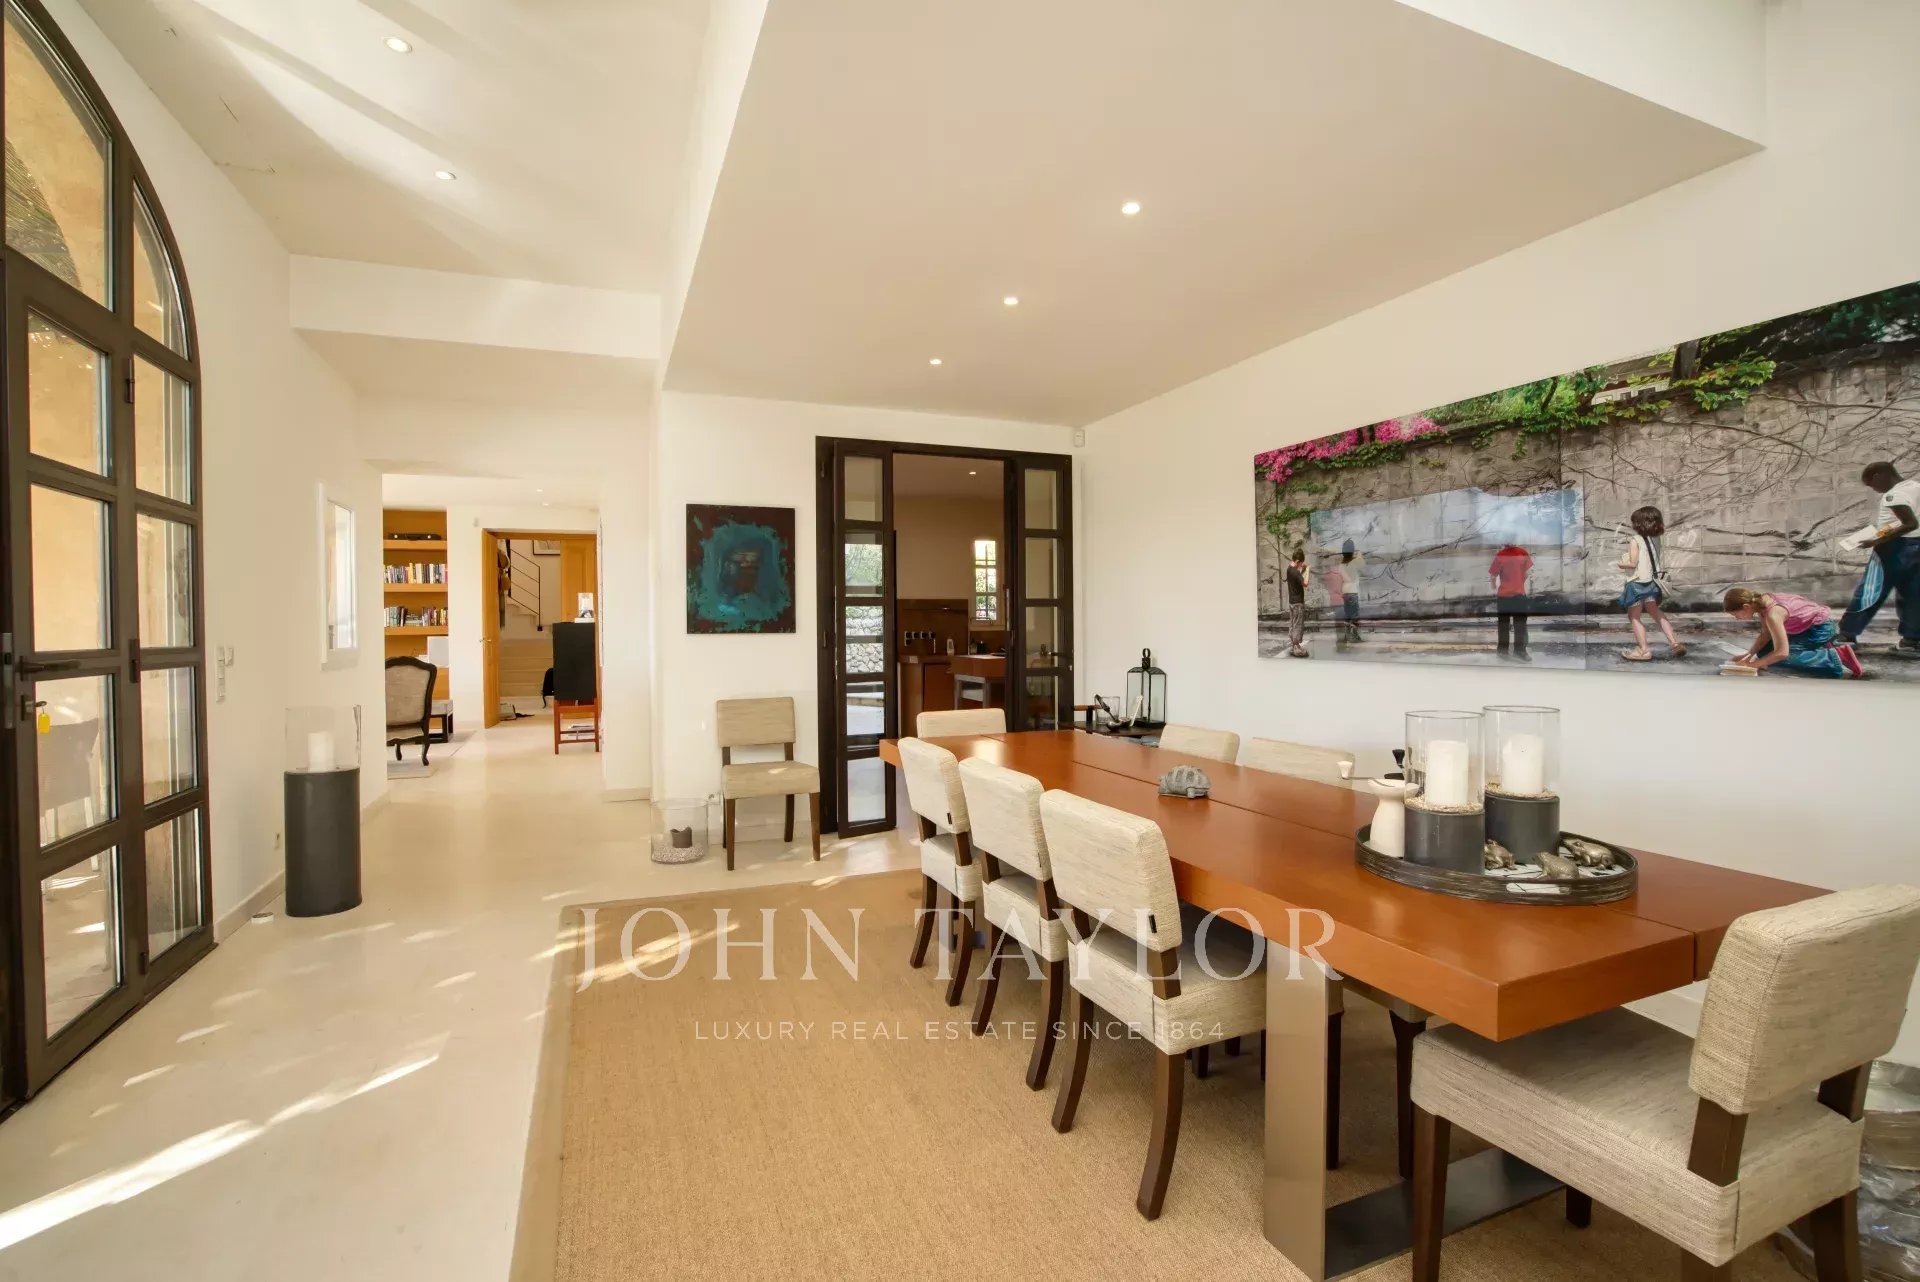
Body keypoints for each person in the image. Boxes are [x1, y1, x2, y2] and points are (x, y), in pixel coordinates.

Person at [1839, 462, 1920, 655]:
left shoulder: (1894, 495)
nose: (1874, 490)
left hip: (1893, 549)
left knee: (1870, 591)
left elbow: (1910, 523)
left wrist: (1875, 541)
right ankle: (1911, 640)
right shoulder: (1916, 487)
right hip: (1916, 546)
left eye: (1872, 484)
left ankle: (1846, 635)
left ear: (1878, 475)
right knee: (1913, 595)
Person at [1723, 587, 1862, 678]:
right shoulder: (1762, 602)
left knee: (1777, 661)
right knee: (1764, 653)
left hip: (1819, 629)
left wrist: (1752, 665)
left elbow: (1782, 653)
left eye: (1736, 615)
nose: (1737, 618)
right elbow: (1766, 634)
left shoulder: (1773, 614)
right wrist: (1748, 655)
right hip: (1806, 627)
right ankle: (1820, 647)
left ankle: (1834, 656)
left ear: (1746, 607)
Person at [1616, 506, 1687, 662]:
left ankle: (1643, 651)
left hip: (1636, 584)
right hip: (1652, 583)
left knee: (1634, 616)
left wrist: (1621, 564)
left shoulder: (1635, 540)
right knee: (1655, 612)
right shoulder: (1656, 539)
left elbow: (1633, 563)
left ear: (1639, 523)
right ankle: (1675, 643)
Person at [1488, 543, 1532, 661]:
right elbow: (1527, 573)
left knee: (1503, 625)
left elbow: (1493, 576)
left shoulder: (1500, 555)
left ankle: (1503, 651)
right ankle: (1520, 651)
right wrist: (1519, 583)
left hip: (1503, 596)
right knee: (1520, 625)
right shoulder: (1523, 553)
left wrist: (1494, 587)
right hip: (1519, 595)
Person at [1284, 548, 1311, 657]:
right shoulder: (1295, 572)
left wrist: (1301, 569)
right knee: (1298, 625)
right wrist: (1307, 570)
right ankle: (1296, 647)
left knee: (1292, 624)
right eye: (1301, 563)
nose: (1301, 565)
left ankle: (1293, 646)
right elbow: (1305, 583)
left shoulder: (1289, 569)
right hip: (1298, 603)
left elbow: (1297, 579)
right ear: (1297, 561)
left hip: (1292, 602)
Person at [1339, 541, 1363, 641]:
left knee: (1348, 614)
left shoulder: (1341, 565)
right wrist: (1359, 553)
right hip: (1353, 591)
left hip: (1345, 591)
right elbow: (1362, 564)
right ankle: (1355, 636)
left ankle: (1347, 635)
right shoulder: (1354, 563)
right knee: (1355, 615)